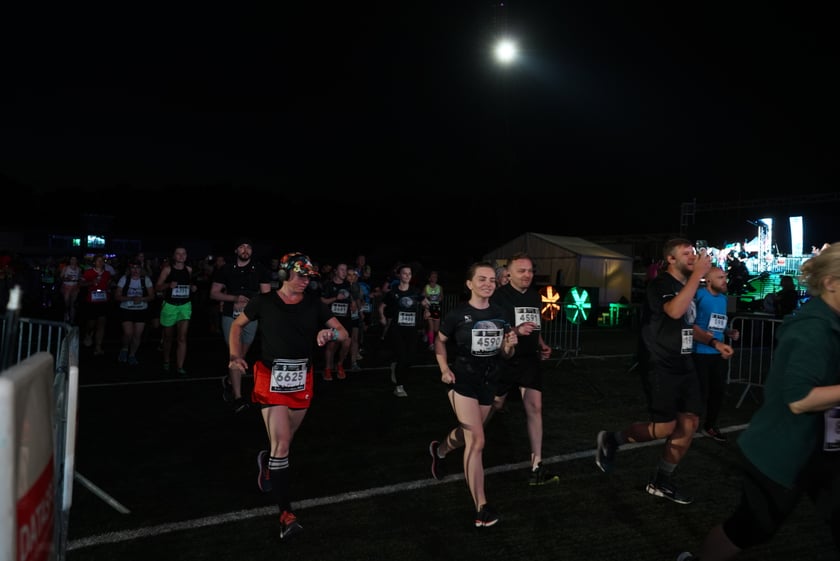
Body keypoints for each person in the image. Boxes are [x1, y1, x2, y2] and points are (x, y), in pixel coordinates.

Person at [677, 242, 840, 560]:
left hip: (822, 449)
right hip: (782, 451)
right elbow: (799, 399)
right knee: (751, 527)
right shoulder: (812, 330)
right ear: (831, 283)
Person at [228, 252, 348, 540]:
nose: (306, 281)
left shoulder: (314, 303)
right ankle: (286, 515)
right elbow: (237, 325)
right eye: (300, 275)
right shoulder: (264, 302)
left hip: (301, 380)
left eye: (309, 276)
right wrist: (234, 355)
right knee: (282, 444)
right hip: (270, 379)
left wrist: (329, 335)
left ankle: (267, 463)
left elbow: (343, 333)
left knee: (284, 441)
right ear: (284, 274)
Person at [595, 237, 712, 505]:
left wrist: (714, 341)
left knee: (690, 423)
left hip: (684, 363)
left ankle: (661, 480)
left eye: (694, 253)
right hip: (660, 364)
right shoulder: (660, 285)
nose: (693, 257)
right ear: (671, 259)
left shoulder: (686, 286)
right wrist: (697, 276)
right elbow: (674, 311)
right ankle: (613, 439)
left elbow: (686, 323)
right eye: (686, 253)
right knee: (666, 427)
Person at [427, 261, 518, 528]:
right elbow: (440, 340)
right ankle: (482, 508)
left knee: (467, 434)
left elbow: (506, 353)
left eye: (492, 280)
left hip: (488, 383)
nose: (488, 284)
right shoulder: (458, 314)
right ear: (469, 284)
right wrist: (444, 369)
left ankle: (439, 450)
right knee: (477, 440)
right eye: (482, 279)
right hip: (462, 382)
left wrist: (509, 345)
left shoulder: (501, 313)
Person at [210, 238, 271, 412]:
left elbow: (266, 296)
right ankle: (237, 397)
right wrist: (234, 298)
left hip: (251, 317)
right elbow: (214, 293)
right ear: (236, 250)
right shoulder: (226, 269)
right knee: (235, 356)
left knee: (242, 356)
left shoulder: (260, 269)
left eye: (249, 247)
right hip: (231, 316)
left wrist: (253, 304)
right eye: (242, 247)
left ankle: (229, 380)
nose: (245, 250)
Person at [692, 266, 739, 442]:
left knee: (718, 391)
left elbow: (719, 323)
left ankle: (710, 426)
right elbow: (689, 321)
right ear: (708, 280)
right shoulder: (698, 295)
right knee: (699, 392)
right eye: (720, 277)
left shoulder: (723, 299)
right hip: (700, 351)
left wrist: (729, 332)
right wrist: (704, 336)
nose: (725, 280)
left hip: (718, 353)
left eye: (725, 277)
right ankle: (687, 426)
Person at [377, 263, 428, 397]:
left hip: (411, 330)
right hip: (397, 330)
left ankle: (395, 367)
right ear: (399, 275)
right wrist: (382, 317)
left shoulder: (415, 291)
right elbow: (381, 306)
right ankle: (399, 386)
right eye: (404, 273)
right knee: (402, 356)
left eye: (409, 274)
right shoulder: (393, 292)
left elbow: (426, 303)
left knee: (410, 358)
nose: (407, 276)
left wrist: (427, 311)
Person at [155, 246, 197, 376]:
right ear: (174, 256)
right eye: (178, 253)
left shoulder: (189, 270)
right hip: (170, 305)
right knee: (168, 338)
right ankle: (166, 360)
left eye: (183, 253)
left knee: (182, 338)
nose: (181, 256)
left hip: (185, 305)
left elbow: (189, 284)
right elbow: (157, 287)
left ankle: (180, 366)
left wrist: (192, 287)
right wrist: (168, 285)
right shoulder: (167, 269)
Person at [114, 259, 156, 367]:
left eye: (137, 268)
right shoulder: (124, 279)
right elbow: (117, 296)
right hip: (126, 309)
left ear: (141, 269)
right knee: (128, 333)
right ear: (130, 269)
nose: (135, 270)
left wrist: (141, 299)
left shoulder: (145, 279)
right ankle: (124, 349)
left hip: (141, 310)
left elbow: (152, 296)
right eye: (133, 267)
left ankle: (132, 354)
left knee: (137, 335)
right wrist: (130, 298)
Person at [423, 270, 443, 352]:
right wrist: (427, 297)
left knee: (436, 329)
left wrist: (438, 298)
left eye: (436, 277)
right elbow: (423, 297)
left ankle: (426, 333)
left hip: (436, 308)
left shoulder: (439, 287)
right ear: (429, 278)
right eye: (433, 276)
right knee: (431, 327)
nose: (435, 278)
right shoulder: (426, 287)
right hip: (428, 307)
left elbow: (441, 297)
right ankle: (431, 344)